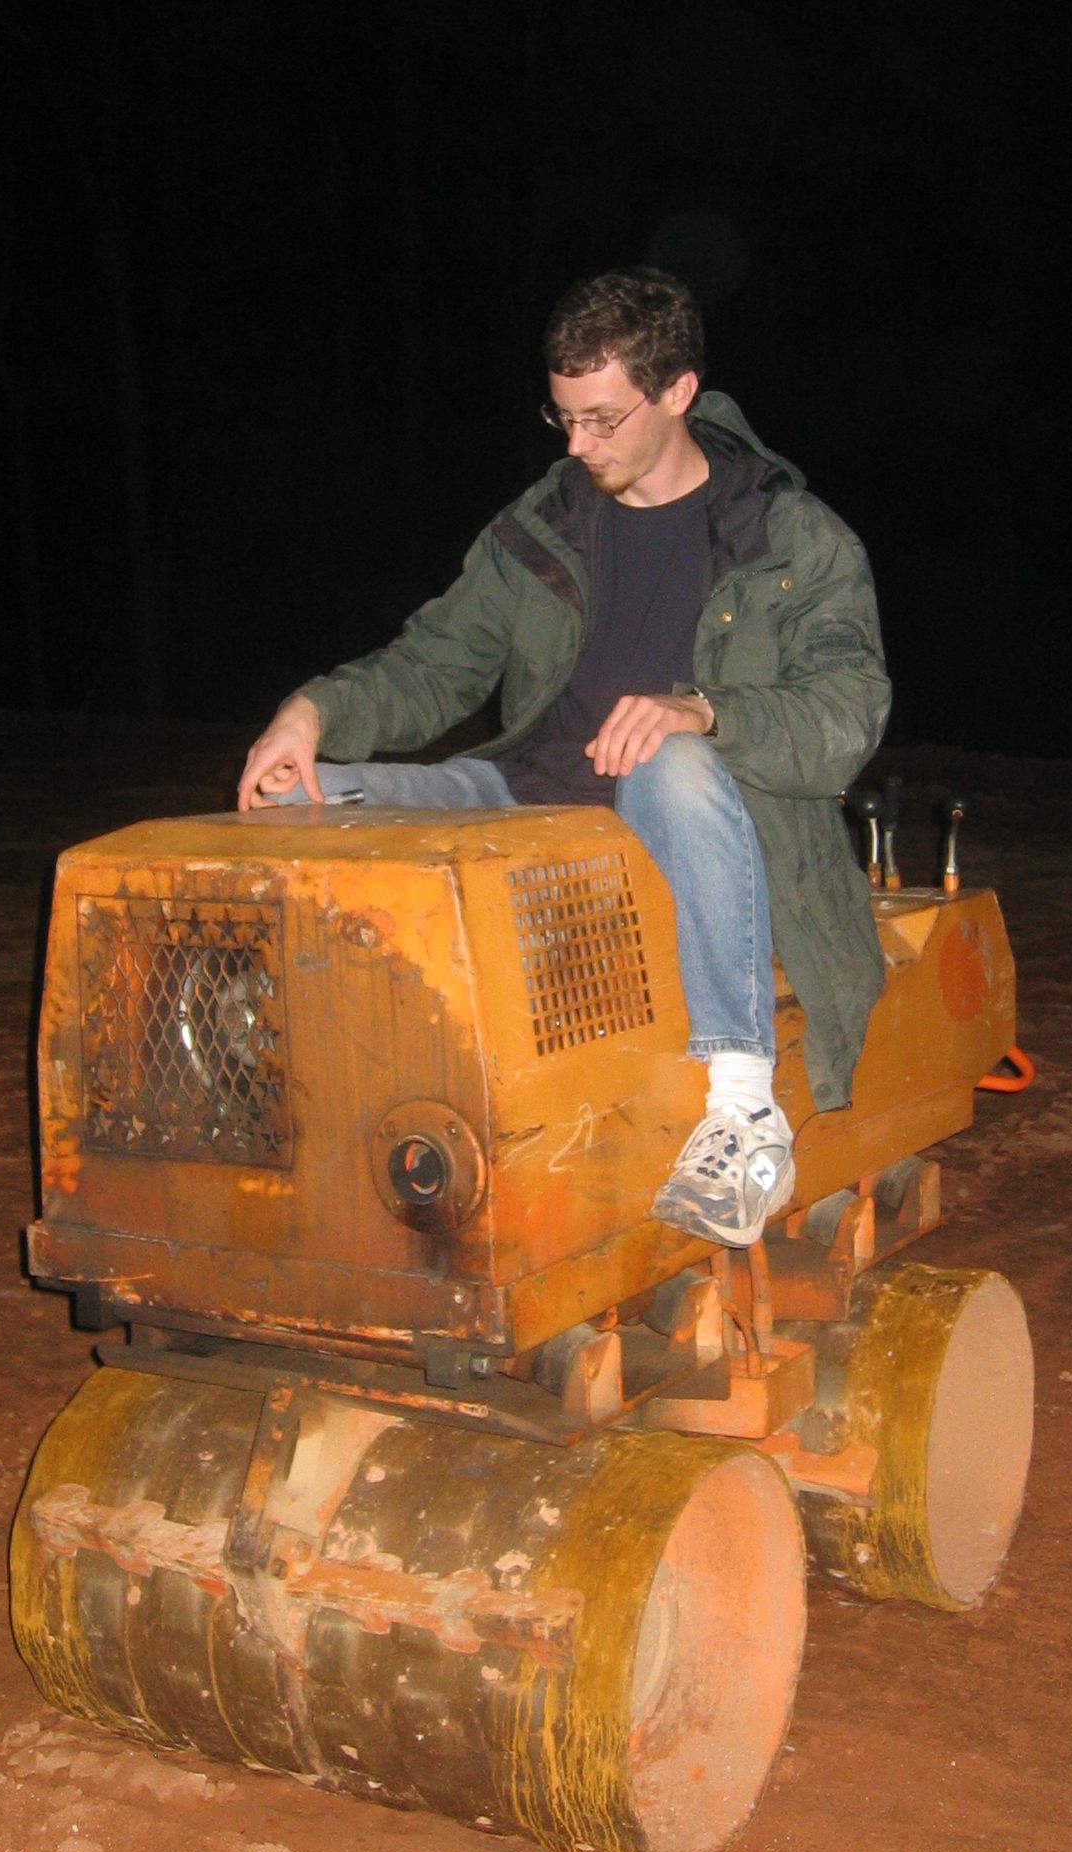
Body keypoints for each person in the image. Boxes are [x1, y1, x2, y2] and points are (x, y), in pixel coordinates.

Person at [237, 267, 890, 1247]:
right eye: (564, 419)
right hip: (524, 797)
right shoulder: (547, 523)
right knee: (305, 802)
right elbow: (435, 663)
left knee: (667, 762)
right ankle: (307, 1092)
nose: (579, 446)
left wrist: (703, 712)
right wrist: (311, 714)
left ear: (679, 391)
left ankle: (745, 1114)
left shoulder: (790, 537)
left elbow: (849, 711)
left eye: (603, 420)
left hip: (707, 831)